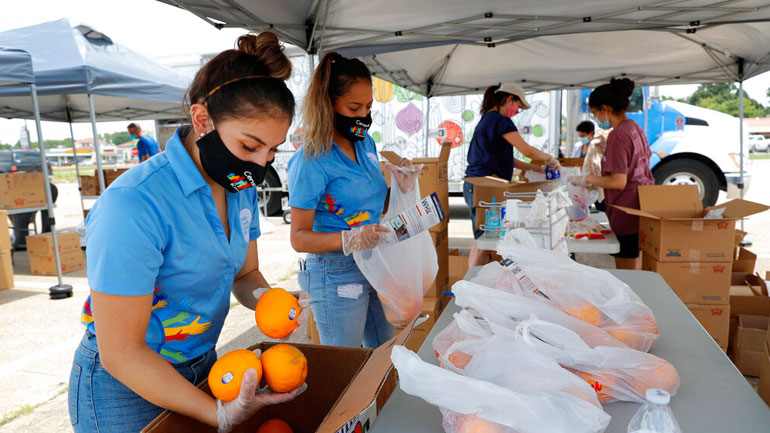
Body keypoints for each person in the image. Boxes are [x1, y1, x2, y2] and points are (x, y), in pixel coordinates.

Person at [68, 32, 305, 433]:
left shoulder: (240, 188)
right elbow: (122, 353)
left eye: (272, 150)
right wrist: (216, 414)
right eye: (249, 147)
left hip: (204, 366)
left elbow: (245, 274)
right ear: (202, 120)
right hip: (125, 388)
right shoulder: (134, 203)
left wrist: (270, 301)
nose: (260, 167)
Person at [288, 52, 418, 349]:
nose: (363, 115)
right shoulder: (311, 159)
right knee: (346, 362)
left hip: (375, 262)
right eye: (354, 107)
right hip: (336, 271)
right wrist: (348, 238)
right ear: (328, 104)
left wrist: (400, 188)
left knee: (383, 353)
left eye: (369, 107)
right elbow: (298, 237)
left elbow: (370, 206)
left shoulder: (366, 144)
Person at [463, 82, 560, 268]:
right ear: (509, 99)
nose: (517, 112)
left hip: (476, 184)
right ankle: (471, 283)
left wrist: (538, 169)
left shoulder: (487, 119)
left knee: (480, 240)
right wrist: (550, 158)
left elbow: (509, 159)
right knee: (486, 243)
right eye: (518, 106)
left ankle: (471, 280)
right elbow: (528, 150)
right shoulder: (501, 121)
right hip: (487, 186)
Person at [573, 78, 654, 270]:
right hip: (643, 208)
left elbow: (618, 182)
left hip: (627, 211)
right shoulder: (634, 128)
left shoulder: (618, 134)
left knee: (627, 275)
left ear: (605, 108)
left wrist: (586, 179)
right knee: (638, 269)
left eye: (594, 112)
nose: (595, 117)